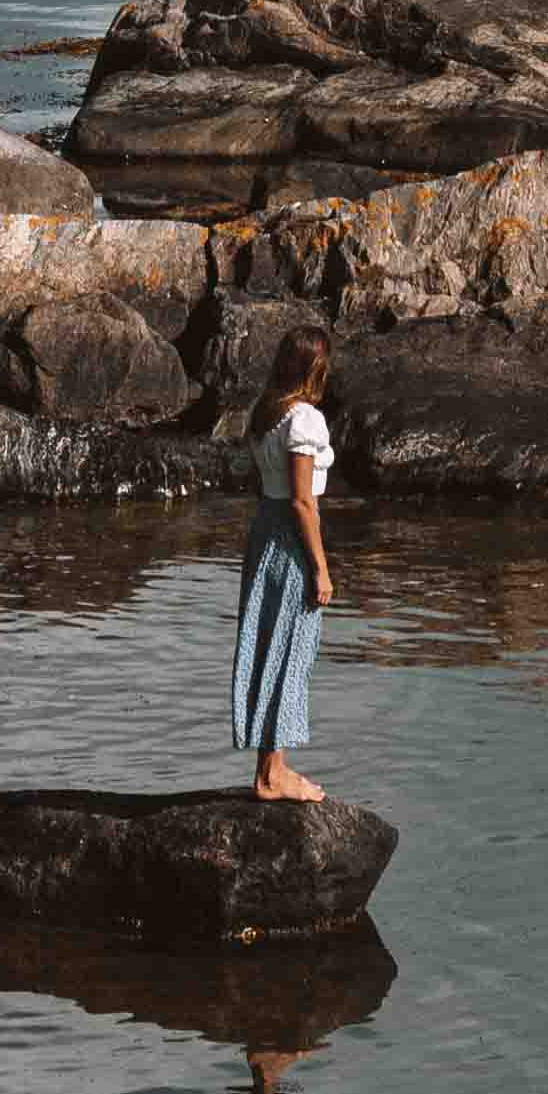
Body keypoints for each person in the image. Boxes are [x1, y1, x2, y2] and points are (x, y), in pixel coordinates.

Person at [232, 318, 336, 803]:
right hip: (291, 535)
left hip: (264, 532)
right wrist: (321, 566)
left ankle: (272, 768)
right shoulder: (304, 420)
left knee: (268, 644)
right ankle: (272, 775)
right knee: (293, 646)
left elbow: (274, 492)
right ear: (314, 369)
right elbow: (302, 501)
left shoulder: (264, 414)